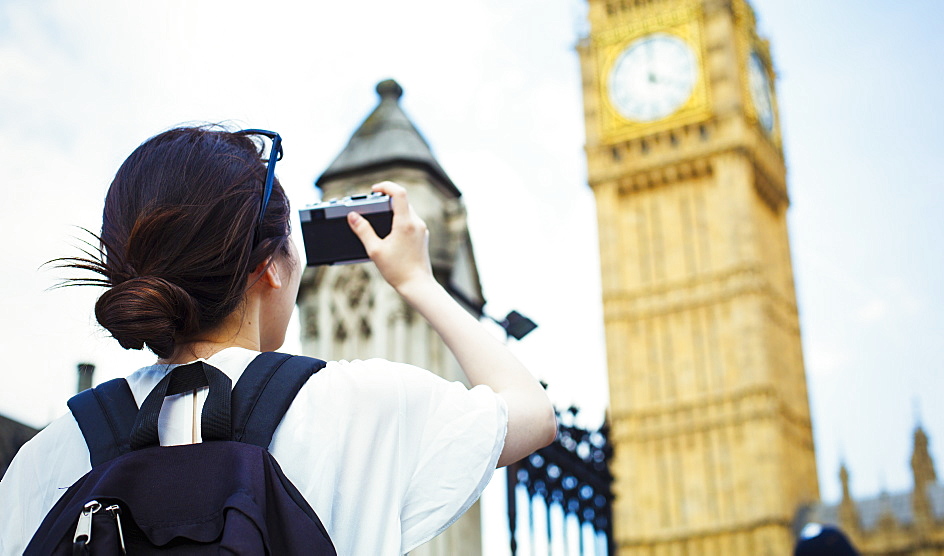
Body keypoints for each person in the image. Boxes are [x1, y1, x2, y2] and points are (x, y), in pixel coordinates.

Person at [0, 126, 557, 555]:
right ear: (270, 266)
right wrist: (417, 280)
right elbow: (533, 412)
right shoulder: (357, 406)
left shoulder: (49, 453)